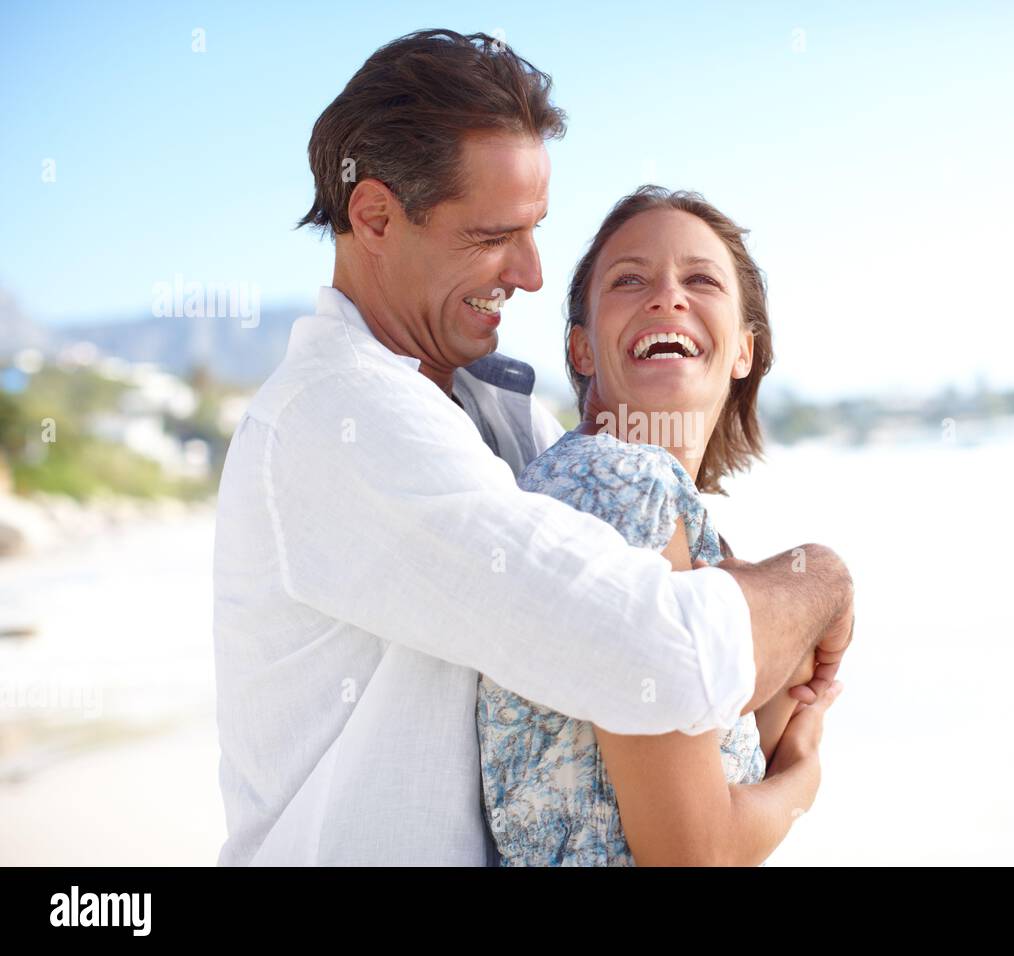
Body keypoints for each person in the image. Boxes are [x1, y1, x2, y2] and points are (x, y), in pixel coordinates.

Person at [213, 29, 854, 866]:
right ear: (373, 216)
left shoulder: (499, 413)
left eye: (536, 228)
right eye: (492, 235)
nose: (531, 272)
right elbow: (646, 651)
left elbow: (652, 618)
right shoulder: (339, 421)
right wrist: (823, 582)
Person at [480, 187, 843, 866]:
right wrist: (804, 780)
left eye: (700, 279)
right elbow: (693, 852)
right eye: (630, 280)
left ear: (743, 348)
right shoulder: (620, 487)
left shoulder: (668, 511)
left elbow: (713, 773)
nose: (667, 297)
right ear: (581, 350)